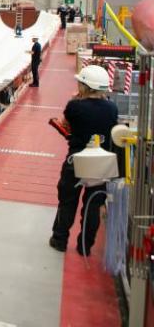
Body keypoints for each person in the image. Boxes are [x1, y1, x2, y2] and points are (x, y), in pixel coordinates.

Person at [49, 65, 120, 256]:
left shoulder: (75, 106)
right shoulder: (112, 108)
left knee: (67, 201)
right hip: (100, 162)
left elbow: (67, 126)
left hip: (76, 159)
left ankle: (60, 239)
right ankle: (85, 247)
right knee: (93, 203)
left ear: (85, 85)